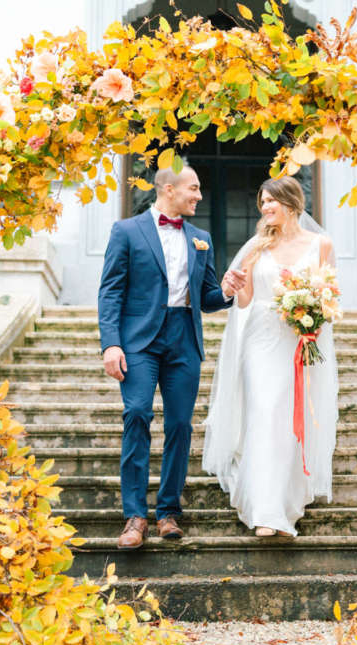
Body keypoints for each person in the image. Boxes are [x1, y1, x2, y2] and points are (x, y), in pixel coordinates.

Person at [98, 162, 247, 549]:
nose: (199, 196)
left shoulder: (201, 238)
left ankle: (167, 513)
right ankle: (134, 516)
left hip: (184, 338)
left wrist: (228, 290)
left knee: (180, 426)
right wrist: (111, 343)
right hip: (138, 340)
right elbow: (111, 290)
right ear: (168, 189)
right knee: (137, 414)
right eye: (193, 188)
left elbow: (208, 298)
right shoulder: (126, 231)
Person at [202, 176, 339, 537]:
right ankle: (265, 512)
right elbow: (244, 301)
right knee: (263, 413)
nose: (264, 208)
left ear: (290, 202)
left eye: (270, 202)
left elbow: (329, 295)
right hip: (260, 340)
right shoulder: (256, 248)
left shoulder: (321, 245)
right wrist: (232, 286)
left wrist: (311, 317)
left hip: (297, 339)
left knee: (289, 421)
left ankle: (284, 503)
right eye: (261, 202)